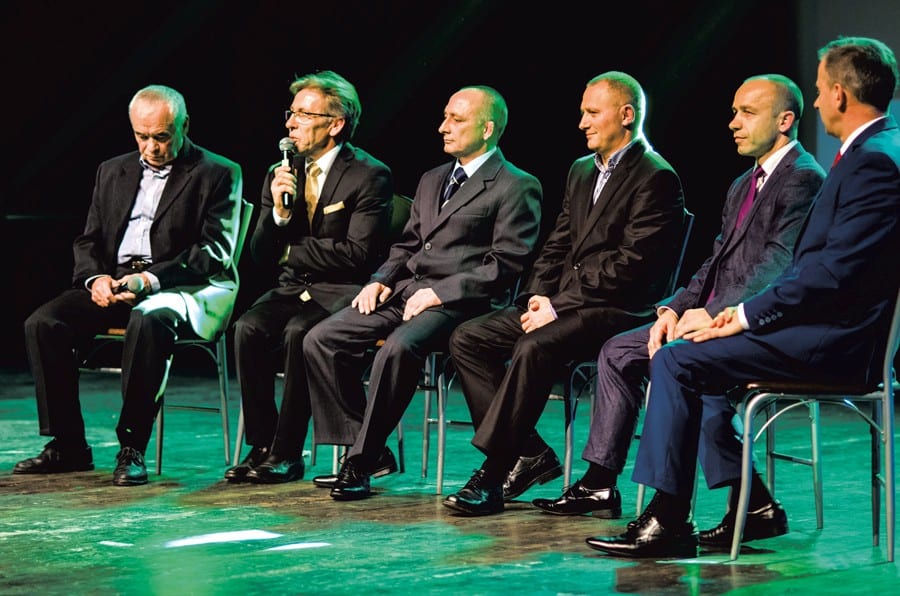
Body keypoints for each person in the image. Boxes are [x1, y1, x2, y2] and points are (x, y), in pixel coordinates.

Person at [586, 36, 900, 559]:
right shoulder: (871, 153)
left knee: (679, 361)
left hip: (837, 341)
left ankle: (668, 520)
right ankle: (745, 506)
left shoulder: (872, 162)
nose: (816, 100)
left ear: (840, 95)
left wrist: (743, 316)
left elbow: (829, 272)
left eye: (819, 89)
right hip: (820, 325)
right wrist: (689, 311)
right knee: (687, 359)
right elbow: (780, 265)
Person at [533, 74, 824, 527]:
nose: (733, 123)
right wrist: (674, 308)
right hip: (714, 316)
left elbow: (775, 266)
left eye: (747, 113)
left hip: (759, 322)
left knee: (684, 365)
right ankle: (600, 482)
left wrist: (708, 315)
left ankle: (706, 507)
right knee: (619, 351)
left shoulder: (803, 178)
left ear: (784, 120)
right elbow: (715, 262)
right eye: (734, 112)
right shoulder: (742, 183)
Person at [442, 71, 686, 516]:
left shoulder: (656, 176)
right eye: (582, 112)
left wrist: (558, 305)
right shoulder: (581, 170)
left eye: (592, 113)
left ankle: (494, 474)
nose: (582, 122)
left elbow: (630, 266)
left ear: (626, 115)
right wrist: (537, 297)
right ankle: (529, 452)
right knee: (468, 338)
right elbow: (558, 245)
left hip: (619, 309)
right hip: (567, 305)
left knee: (534, 345)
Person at [303, 85, 543, 500]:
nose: (443, 127)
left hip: (462, 304)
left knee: (397, 349)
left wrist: (440, 294)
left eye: (456, 119)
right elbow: (408, 245)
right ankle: (366, 445)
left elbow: (506, 264)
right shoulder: (433, 179)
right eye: (445, 117)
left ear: (487, 129)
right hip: (406, 291)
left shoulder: (516, 184)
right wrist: (380, 279)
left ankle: (361, 460)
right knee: (321, 339)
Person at [16, 85, 243, 486]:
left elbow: (214, 252)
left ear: (185, 126)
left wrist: (149, 280)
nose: (151, 147)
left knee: (149, 317)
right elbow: (89, 239)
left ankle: (132, 446)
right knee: (44, 323)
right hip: (119, 280)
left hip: (183, 287)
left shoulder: (218, 172)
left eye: (162, 137)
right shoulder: (112, 170)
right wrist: (96, 279)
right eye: (142, 136)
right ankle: (68, 444)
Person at [223, 71, 393, 484]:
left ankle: (287, 453)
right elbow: (260, 255)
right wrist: (280, 216)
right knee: (246, 328)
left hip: (341, 291)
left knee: (299, 333)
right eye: (291, 113)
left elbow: (357, 255)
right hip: (291, 288)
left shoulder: (369, 174)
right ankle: (262, 445)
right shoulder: (280, 172)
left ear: (335, 125)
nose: (291, 124)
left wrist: (290, 250)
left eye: (304, 114)